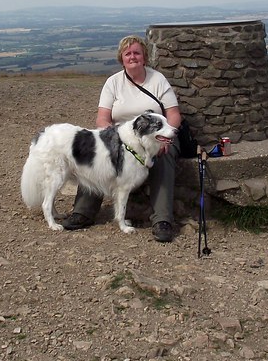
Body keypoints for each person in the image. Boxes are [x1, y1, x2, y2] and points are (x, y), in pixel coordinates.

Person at [61, 35, 183, 242]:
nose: (133, 57)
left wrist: (166, 137)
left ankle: (162, 220)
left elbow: (173, 115)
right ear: (122, 58)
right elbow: (102, 118)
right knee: (96, 152)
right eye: (128, 54)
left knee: (165, 155)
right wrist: (110, 138)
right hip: (120, 135)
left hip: (156, 136)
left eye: (137, 53)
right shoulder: (113, 83)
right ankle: (83, 211)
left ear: (144, 57)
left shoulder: (158, 80)